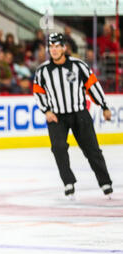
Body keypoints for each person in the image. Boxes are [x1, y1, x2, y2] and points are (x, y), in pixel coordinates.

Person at [33, 33, 113, 198]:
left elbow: (93, 86)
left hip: (79, 114)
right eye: (51, 47)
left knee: (92, 150)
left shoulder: (78, 65)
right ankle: (68, 182)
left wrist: (104, 106)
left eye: (57, 46)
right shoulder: (43, 71)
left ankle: (105, 182)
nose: (54, 50)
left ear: (64, 48)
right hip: (57, 117)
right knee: (58, 148)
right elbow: (38, 93)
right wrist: (46, 110)